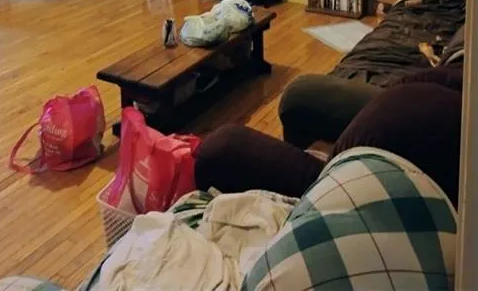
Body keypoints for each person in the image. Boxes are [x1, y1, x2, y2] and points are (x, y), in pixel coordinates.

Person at [195, 66, 463, 208]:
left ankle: (303, 202)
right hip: (399, 114)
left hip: (354, 176)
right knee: (300, 94)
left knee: (221, 147)